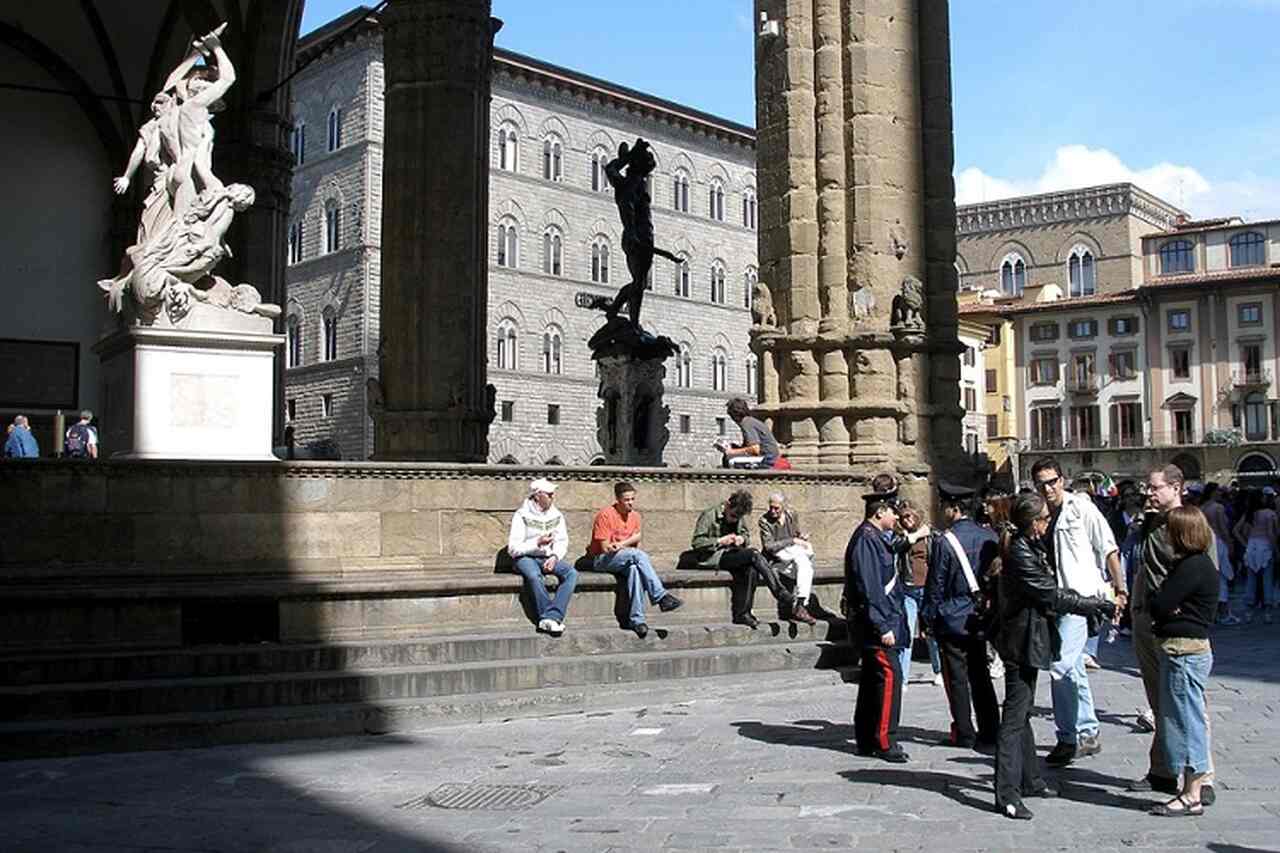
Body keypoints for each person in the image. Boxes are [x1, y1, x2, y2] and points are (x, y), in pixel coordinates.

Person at [993, 492, 1116, 819]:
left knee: (1023, 712)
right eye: (1045, 518)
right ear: (1033, 523)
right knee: (1014, 718)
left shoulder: (1028, 545)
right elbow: (1049, 594)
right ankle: (1006, 792)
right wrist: (1093, 603)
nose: (1048, 523)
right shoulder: (1020, 552)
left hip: (1030, 638)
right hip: (1020, 642)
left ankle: (1030, 778)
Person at [1129, 464, 1217, 804]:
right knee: (1159, 699)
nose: (1148, 493)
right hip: (1148, 619)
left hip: (1179, 624)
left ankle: (1201, 777)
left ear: (1176, 487)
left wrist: (1190, 612)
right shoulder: (1150, 522)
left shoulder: (1191, 524)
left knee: (1188, 704)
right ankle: (1164, 769)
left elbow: (1205, 571)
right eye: (1147, 488)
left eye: (1154, 488)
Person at [1030, 457, 1124, 767]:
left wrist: (1120, 589)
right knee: (1074, 668)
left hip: (1079, 600)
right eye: (1042, 483)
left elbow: (1108, 546)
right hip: (1054, 602)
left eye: (1053, 481)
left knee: (1061, 666)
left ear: (1062, 479)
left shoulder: (1080, 507)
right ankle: (1087, 731)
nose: (1049, 488)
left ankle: (1067, 737)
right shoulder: (1041, 514)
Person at [1147, 506, 1218, 816]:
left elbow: (1160, 603)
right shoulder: (1195, 565)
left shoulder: (1192, 567)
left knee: (1186, 722)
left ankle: (1192, 794)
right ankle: (1190, 788)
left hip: (1183, 652)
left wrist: (1167, 607)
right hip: (1183, 648)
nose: (1165, 536)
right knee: (1185, 719)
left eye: (1170, 530)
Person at [922, 482, 1000, 749]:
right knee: (981, 675)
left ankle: (965, 732)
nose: (942, 510)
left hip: (952, 618)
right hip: (980, 616)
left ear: (953, 508)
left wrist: (928, 618)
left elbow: (936, 585)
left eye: (944, 505)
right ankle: (991, 729)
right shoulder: (990, 536)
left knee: (957, 679)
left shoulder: (945, 542)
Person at [845, 485, 910, 762]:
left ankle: (867, 738)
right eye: (893, 512)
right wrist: (883, 626)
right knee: (889, 677)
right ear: (880, 511)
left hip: (876, 620)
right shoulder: (866, 540)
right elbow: (870, 587)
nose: (896, 517)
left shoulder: (873, 537)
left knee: (873, 681)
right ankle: (884, 739)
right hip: (875, 625)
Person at [684, 489, 793, 628]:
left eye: (738, 517)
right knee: (753, 554)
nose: (735, 519)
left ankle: (743, 614)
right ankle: (780, 592)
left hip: (733, 553)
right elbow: (697, 542)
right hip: (714, 556)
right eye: (733, 515)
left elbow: (745, 535)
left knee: (751, 570)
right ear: (728, 504)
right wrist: (719, 541)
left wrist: (742, 539)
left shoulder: (739, 516)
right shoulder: (709, 515)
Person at [587, 481, 683, 637]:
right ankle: (660, 596)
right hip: (602, 559)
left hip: (626, 559)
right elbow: (605, 548)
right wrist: (621, 545)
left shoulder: (636, 516)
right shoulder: (605, 515)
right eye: (627, 500)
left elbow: (636, 542)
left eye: (632, 499)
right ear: (618, 500)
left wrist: (623, 544)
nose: (630, 503)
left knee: (635, 570)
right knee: (638, 556)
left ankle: (637, 620)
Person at [507, 478, 578, 636]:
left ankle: (553, 616)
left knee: (571, 573)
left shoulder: (556, 515)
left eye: (553, 495)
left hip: (547, 557)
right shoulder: (521, 515)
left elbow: (561, 541)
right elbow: (513, 549)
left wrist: (554, 556)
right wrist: (537, 542)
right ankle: (547, 616)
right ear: (538, 495)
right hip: (525, 558)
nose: (553, 498)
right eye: (550, 495)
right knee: (533, 576)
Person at [893, 500, 942, 690]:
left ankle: (938, 670)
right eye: (903, 517)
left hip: (927, 589)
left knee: (932, 633)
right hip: (908, 589)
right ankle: (903, 678)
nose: (907, 520)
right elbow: (895, 548)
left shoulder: (932, 535)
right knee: (906, 632)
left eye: (909, 516)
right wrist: (910, 537)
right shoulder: (901, 537)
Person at [758, 492, 817, 625]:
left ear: (784, 507)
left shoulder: (791, 515)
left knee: (805, 565)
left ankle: (800, 604)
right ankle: (801, 605)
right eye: (771, 507)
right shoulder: (764, 521)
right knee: (804, 561)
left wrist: (801, 537)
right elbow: (769, 546)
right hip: (777, 559)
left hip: (793, 558)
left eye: (776, 508)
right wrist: (793, 540)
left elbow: (796, 534)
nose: (773, 511)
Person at [1232, 488, 1277, 624]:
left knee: (1251, 580)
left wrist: (1245, 544)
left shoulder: (1249, 514)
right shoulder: (1269, 514)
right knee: (1267, 579)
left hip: (1251, 547)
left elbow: (1235, 530)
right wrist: (1275, 548)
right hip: (1265, 546)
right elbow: (1270, 533)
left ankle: (1249, 612)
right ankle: (1268, 612)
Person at [719, 398, 789, 469]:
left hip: (768, 460)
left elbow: (755, 449)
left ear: (735, 415)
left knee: (728, 458)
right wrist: (735, 447)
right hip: (770, 457)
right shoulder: (751, 421)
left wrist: (732, 452)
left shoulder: (746, 423)